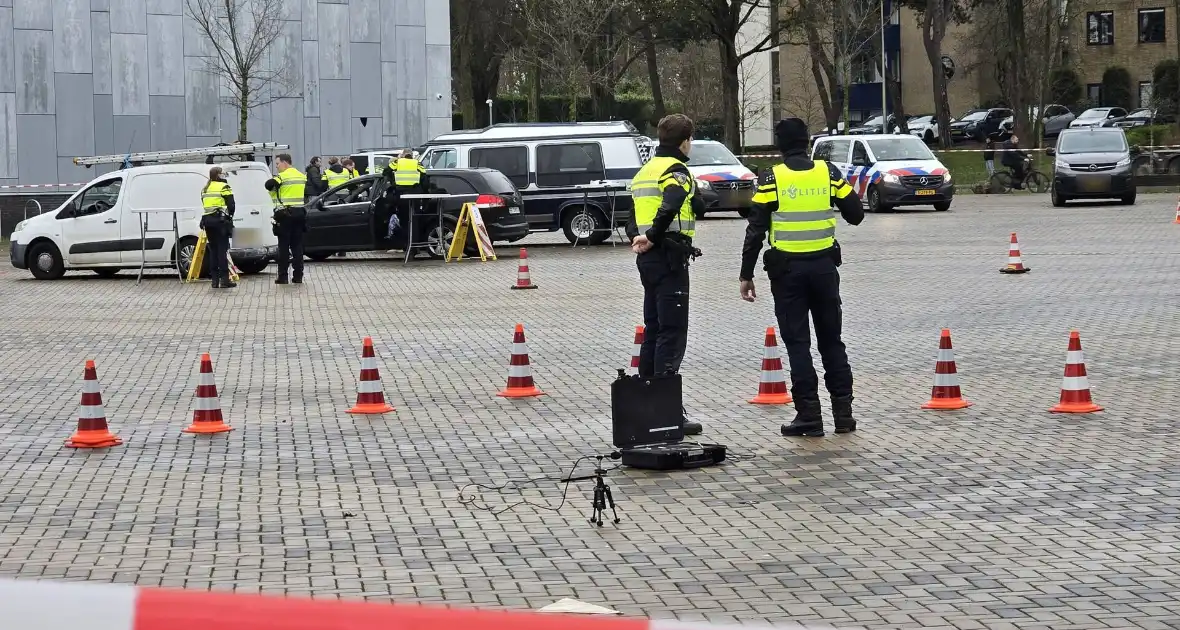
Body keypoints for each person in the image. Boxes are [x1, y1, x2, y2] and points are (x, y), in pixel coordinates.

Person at [739, 118, 864, 437]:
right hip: (824, 270)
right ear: (807, 142)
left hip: (788, 274)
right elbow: (856, 215)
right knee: (832, 342)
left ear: (780, 145)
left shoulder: (771, 179)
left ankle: (809, 415)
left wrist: (746, 274)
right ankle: (844, 415)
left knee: (798, 344)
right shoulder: (829, 173)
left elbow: (755, 229)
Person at [627, 113, 704, 436]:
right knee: (671, 334)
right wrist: (656, 235)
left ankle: (647, 406)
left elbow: (633, 215)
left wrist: (639, 237)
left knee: (654, 331)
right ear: (685, 141)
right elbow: (672, 200)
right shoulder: (676, 169)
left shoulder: (645, 171)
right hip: (669, 257)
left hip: (648, 260)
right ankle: (668, 411)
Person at [265, 153, 308, 285]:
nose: (277, 167)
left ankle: (283, 276)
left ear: (285, 162)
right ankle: (298, 276)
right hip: (300, 213)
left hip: (285, 215)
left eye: (277, 164)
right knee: (297, 247)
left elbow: (268, 185)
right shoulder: (301, 176)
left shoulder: (282, 177)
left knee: (283, 247)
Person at [200, 166, 236, 289]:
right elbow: (231, 205)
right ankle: (225, 280)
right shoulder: (224, 187)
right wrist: (229, 217)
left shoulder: (205, 189)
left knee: (213, 251)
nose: (224, 175)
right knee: (222, 251)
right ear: (219, 175)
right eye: (223, 174)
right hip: (220, 222)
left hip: (208, 222)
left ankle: (214, 281)